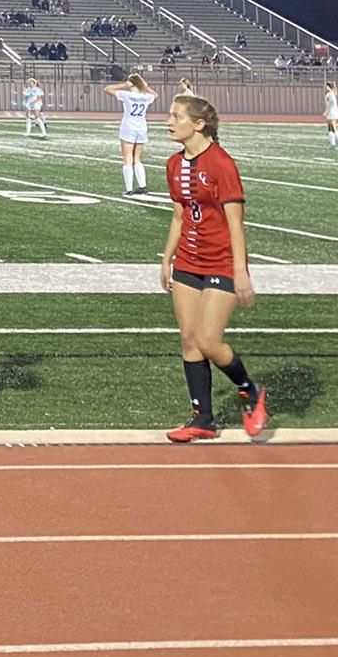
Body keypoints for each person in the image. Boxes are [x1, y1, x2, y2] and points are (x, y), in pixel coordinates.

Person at [159, 92, 270, 443]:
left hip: (220, 261)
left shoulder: (221, 163)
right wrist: (166, 258)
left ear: (198, 124)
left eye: (176, 116)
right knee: (190, 341)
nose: (168, 122)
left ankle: (249, 390)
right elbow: (179, 217)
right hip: (187, 262)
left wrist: (241, 271)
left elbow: (235, 222)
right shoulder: (173, 165)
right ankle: (202, 420)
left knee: (209, 341)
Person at [107, 73, 157, 196]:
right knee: (137, 159)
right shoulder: (146, 96)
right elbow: (156, 95)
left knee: (127, 159)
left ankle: (129, 188)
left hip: (128, 128)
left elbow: (107, 89)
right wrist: (145, 86)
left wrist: (124, 85)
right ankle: (142, 186)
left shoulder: (127, 95)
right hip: (141, 128)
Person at [322, 81, 338, 151]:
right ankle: (333, 144)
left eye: (326, 86)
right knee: (330, 129)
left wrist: (326, 111)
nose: (325, 87)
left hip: (333, 113)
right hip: (330, 113)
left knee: (334, 129)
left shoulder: (331, 94)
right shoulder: (328, 94)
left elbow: (332, 103)